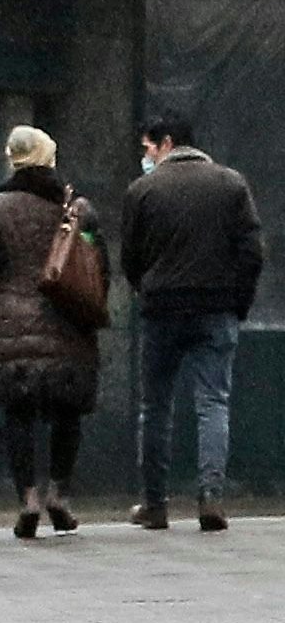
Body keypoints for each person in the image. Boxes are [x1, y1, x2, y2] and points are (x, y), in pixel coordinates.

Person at [124, 115, 264, 532]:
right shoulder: (231, 184)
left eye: (148, 148)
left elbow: (130, 256)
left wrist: (144, 288)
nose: (146, 157)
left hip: (162, 308)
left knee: (155, 405)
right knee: (213, 402)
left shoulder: (142, 191)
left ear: (167, 143)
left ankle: (154, 503)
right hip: (217, 308)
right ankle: (211, 497)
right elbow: (252, 252)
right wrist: (237, 302)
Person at [0, 126, 106, 539]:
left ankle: (27, 496)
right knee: (67, 412)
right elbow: (101, 269)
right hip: (68, 323)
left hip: (12, 319)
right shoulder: (78, 209)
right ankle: (59, 494)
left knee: (20, 413)